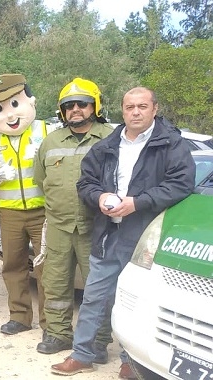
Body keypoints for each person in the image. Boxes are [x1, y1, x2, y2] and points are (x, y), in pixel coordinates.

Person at [51, 87, 195, 377]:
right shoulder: (108, 145)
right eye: (130, 107)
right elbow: (86, 183)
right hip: (108, 234)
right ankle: (83, 355)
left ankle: (132, 361)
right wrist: (99, 198)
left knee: (137, 301)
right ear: (122, 110)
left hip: (145, 238)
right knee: (94, 296)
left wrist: (137, 203)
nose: (136, 112)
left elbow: (181, 184)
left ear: (154, 109)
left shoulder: (171, 144)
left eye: (142, 106)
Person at [33, 78, 114, 355]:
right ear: (62, 111)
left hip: (98, 227)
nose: (76, 109)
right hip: (59, 225)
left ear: (95, 106)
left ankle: (98, 341)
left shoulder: (111, 138)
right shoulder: (51, 141)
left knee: (98, 287)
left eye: (82, 103)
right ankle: (58, 335)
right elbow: (41, 180)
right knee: (54, 283)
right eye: (69, 105)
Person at [0, 73, 47, 335]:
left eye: (15, 104)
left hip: (44, 213)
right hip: (10, 214)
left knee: (46, 268)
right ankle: (19, 317)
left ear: (30, 101)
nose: (10, 114)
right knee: (13, 266)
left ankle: (51, 323)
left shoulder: (46, 131)